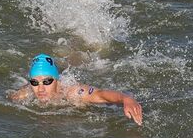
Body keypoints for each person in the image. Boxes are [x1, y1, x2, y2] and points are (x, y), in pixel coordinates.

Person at [10, 53, 143, 126]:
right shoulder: (26, 92)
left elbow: (100, 94)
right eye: (34, 82)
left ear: (56, 80)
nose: (40, 88)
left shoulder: (73, 92)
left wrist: (126, 98)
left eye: (47, 81)